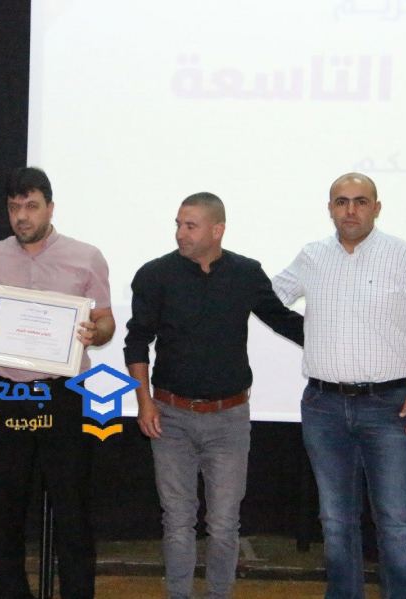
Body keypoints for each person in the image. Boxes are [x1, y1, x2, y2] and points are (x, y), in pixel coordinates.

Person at [272, 172, 406, 599]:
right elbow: (268, 298)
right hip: (322, 405)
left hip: (389, 405)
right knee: (335, 521)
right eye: (342, 201)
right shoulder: (312, 256)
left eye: (361, 201)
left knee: (394, 521)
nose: (351, 210)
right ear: (330, 208)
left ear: (376, 208)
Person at [124, 192, 304, 599]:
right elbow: (136, 341)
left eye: (190, 226)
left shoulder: (246, 273)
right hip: (170, 416)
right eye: (178, 224)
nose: (180, 233)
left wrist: (336, 340)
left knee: (224, 525)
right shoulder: (154, 275)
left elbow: (283, 320)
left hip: (229, 419)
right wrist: (144, 402)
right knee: (177, 521)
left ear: (217, 229)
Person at [0, 166, 115, 599]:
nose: (22, 216)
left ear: (50, 208)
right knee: (4, 509)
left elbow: (106, 320)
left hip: (63, 395)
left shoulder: (86, 257)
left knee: (72, 509)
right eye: (14, 207)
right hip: (5, 393)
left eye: (31, 206)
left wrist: (95, 332)